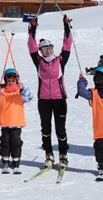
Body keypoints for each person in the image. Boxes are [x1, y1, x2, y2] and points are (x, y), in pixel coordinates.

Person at [28, 15, 74, 168]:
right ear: (41, 51)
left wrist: (66, 26)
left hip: (60, 99)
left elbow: (67, 44)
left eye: (50, 47)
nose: (49, 50)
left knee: (60, 130)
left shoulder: (60, 60)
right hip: (44, 101)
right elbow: (31, 46)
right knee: (46, 129)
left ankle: (63, 154)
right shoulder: (38, 61)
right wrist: (32, 29)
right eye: (45, 48)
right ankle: (48, 154)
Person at [0, 68, 33, 174]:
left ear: (17, 80)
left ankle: (16, 160)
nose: (11, 82)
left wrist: (24, 88)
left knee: (16, 142)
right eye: (9, 81)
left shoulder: (20, 91)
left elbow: (29, 98)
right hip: (5, 122)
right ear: (5, 80)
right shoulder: (2, 90)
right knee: (5, 142)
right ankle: (5, 160)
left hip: (16, 122)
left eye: (13, 80)